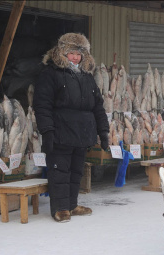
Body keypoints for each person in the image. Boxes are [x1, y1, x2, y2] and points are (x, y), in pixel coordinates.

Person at [33, 33, 109, 222]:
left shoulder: (87, 77)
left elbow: (97, 106)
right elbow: (42, 105)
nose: (75, 57)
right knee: (59, 171)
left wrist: (103, 131)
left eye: (79, 54)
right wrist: (47, 131)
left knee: (76, 171)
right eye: (71, 53)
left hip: (82, 133)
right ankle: (60, 209)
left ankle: (72, 205)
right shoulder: (50, 74)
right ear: (62, 53)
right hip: (60, 132)